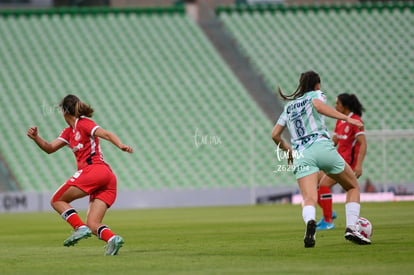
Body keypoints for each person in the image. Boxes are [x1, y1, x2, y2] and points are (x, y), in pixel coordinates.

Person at [271, 71, 371, 247]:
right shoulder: (315, 95)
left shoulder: (289, 107)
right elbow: (318, 105)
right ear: (317, 85)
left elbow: (275, 135)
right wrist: (347, 118)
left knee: (309, 198)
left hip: (301, 154)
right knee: (352, 186)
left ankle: (311, 221)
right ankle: (351, 227)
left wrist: (288, 151)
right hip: (321, 145)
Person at [27, 95, 133, 255]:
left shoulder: (84, 124)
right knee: (93, 223)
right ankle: (113, 239)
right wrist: (36, 138)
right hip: (106, 178)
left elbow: (106, 134)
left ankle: (78, 227)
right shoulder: (69, 132)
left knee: (57, 200)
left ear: (64, 112)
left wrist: (120, 145)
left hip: (95, 170)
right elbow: (49, 148)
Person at [316, 93, 367, 230]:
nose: (335, 106)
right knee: (317, 183)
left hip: (348, 163)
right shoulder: (340, 121)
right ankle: (328, 215)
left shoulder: (355, 121)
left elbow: (363, 143)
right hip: (337, 160)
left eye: (337, 103)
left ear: (345, 106)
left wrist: (359, 165)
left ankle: (328, 220)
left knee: (324, 184)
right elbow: (334, 141)